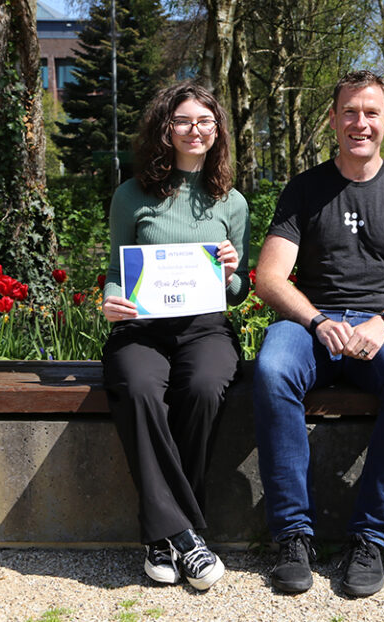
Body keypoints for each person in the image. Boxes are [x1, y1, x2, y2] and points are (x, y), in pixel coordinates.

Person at [252, 70, 384, 597]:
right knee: (271, 369)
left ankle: (370, 538)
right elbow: (269, 277)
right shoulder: (305, 189)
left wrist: (382, 323)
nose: (361, 122)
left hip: (383, 322)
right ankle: (293, 534)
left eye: (371, 112)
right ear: (333, 120)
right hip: (313, 320)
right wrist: (316, 320)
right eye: (350, 112)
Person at [101, 81, 250, 590]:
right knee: (140, 388)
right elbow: (117, 268)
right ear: (165, 128)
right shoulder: (131, 194)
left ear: (217, 131)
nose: (195, 130)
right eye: (184, 120)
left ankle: (162, 539)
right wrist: (110, 299)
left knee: (205, 386)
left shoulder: (230, 201)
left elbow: (236, 291)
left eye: (205, 121)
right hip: (141, 328)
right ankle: (186, 538)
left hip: (205, 328)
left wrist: (232, 271)